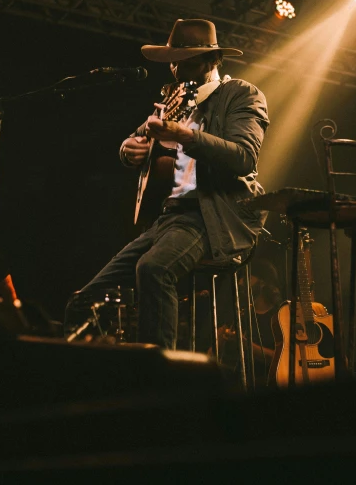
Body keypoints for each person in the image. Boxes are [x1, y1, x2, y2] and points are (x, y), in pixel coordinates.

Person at [65, 18, 269, 349]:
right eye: (172, 60)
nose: (175, 69)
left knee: (154, 270)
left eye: (185, 60)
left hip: (211, 216)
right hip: (169, 218)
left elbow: (244, 157)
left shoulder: (240, 94)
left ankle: (159, 381)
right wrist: (129, 150)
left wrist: (186, 136)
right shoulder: (173, 101)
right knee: (82, 302)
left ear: (212, 60)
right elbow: (136, 140)